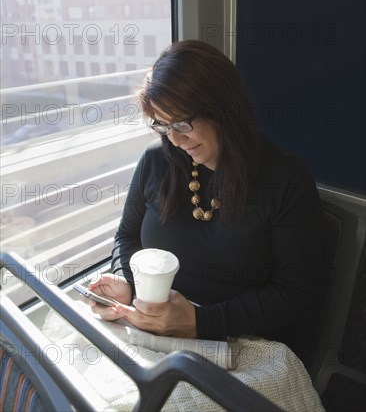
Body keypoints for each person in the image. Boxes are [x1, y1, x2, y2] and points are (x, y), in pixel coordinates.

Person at [88, 39, 326, 370]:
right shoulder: (157, 162)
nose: (174, 139)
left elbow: (296, 294)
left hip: (243, 339)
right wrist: (126, 283)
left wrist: (200, 322)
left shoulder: (285, 179)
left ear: (223, 109)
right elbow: (128, 237)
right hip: (155, 329)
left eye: (182, 123)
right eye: (162, 124)